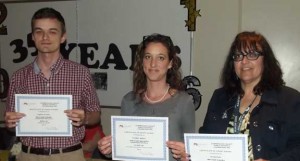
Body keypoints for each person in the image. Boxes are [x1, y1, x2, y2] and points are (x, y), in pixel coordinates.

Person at [168, 31, 300, 161]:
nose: (244, 61)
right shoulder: (219, 97)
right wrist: (191, 153)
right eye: (238, 56)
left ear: (265, 60)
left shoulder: (289, 100)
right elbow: (206, 141)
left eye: (252, 54)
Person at [4, 7, 101, 161]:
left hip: (69, 155)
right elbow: (11, 122)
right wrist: (10, 123)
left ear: (63, 37)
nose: (45, 37)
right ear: (32, 37)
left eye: (52, 31)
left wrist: (85, 118)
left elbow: (96, 113)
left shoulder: (80, 73)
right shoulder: (19, 77)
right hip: (28, 155)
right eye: (39, 31)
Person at [97, 33, 195, 161]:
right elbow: (125, 147)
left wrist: (187, 154)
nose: (153, 64)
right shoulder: (129, 100)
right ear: (142, 61)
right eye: (148, 57)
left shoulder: (183, 101)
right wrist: (109, 149)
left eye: (160, 58)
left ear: (170, 63)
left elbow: (192, 152)